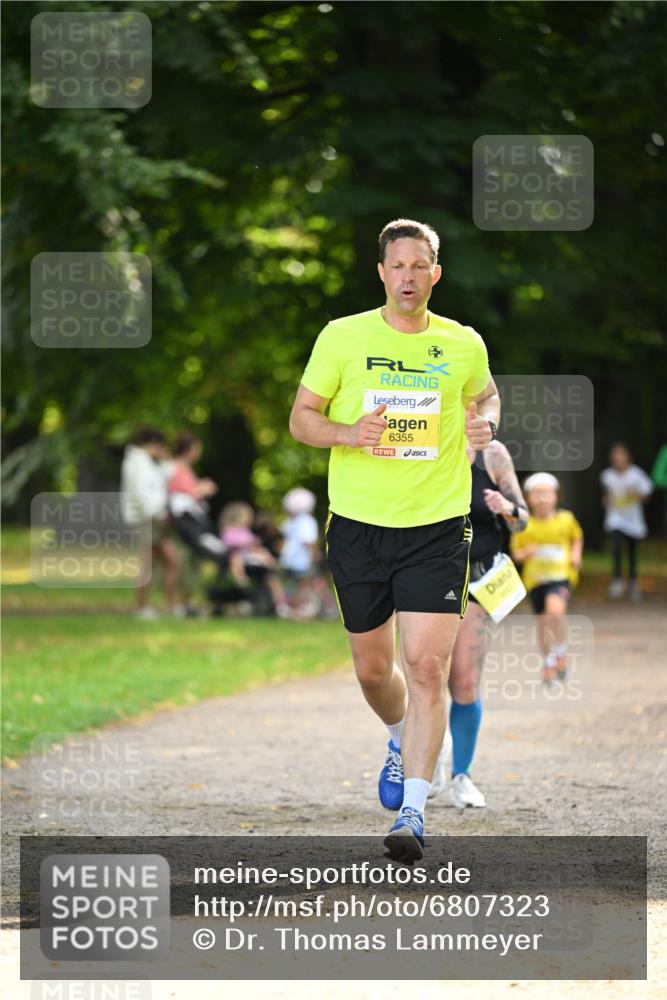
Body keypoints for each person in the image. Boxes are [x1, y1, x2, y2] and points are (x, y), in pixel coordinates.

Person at [289, 218, 499, 860]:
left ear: (436, 274)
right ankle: (397, 733)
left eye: (419, 266)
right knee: (373, 669)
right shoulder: (343, 337)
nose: (407, 277)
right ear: (381, 273)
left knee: (428, 666)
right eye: (396, 266)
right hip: (358, 525)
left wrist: (483, 425)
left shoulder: (463, 344)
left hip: (436, 526)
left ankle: (413, 811)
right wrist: (352, 434)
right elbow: (302, 420)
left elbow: (487, 398)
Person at [429, 440, 528, 809]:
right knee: (428, 675)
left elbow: (523, 520)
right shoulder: (425, 442)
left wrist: (507, 509)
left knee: (465, 680)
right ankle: (431, 759)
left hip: (478, 577)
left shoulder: (494, 455)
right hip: (428, 574)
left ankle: (462, 776)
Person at [510, 473, 583, 684]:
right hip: (535, 580)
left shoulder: (566, 519)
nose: (542, 498)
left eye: (546, 493)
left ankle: (560, 651)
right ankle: (551, 662)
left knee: (555, 611)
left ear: (556, 496)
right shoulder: (525, 524)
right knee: (542, 624)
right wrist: (527, 552)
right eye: (537, 493)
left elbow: (576, 537)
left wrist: (576, 555)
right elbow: (516, 553)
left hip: (561, 576)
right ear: (528, 498)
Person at [120, 427, 181, 619]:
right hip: (146, 520)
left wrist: (165, 460)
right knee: (149, 564)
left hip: (154, 519)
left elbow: (165, 476)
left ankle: (169, 606)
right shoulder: (137, 463)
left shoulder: (147, 463)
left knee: (170, 561)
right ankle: (142, 607)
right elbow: (141, 493)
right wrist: (156, 513)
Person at [167, 431, 224, 613]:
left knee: (193, 564)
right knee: (181, 563)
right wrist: (202, 489)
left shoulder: (186, 469)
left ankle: (187, 602)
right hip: (182, 525)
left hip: (193, 522)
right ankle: (175, 604)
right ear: (189, 448)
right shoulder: (174, 468)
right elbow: (179, 496)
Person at [219, 502, 292, 618]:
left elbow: (254, 544)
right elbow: (229, 543)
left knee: (267, 564)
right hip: (241, 559)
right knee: (236, 557)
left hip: (252, 558)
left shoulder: (247, 532)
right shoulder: (229, 530)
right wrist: (247, 544)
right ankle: (240, 579)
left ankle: (281, 604)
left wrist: (254, 546)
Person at [600, 444, 654, 601]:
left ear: (628, 457)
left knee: (632, 552)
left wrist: (636, 494)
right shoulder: (606, 475)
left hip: (633, 520)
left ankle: (633, 582)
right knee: (616, 545)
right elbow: (605, 495)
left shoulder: (636, 474)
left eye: (621, 455)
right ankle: (617, 580)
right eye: (615, 456)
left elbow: (646, 496)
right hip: (615, 518)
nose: (618, 459)